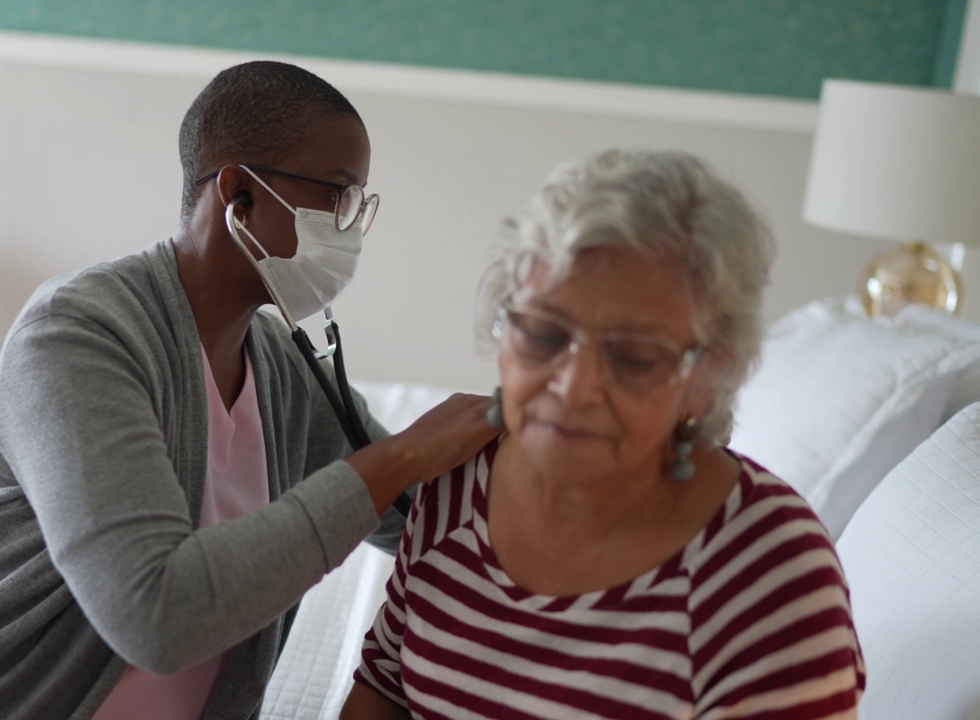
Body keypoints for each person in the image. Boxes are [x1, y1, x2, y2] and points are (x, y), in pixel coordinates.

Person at [0, 61, 498, 719]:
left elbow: (416, 507)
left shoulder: (280, 368)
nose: (349, 228)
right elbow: (155, 614)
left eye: (359, 204)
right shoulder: (76, 334)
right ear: (239, 196)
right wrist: (396, 460)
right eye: (338, 196)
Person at [342, 149, 865, 719]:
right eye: (543, 334)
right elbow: (386, 687)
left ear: (707, 378)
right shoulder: (458, 477)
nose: (574, 387)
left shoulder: (768, 572)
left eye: (635, 358)